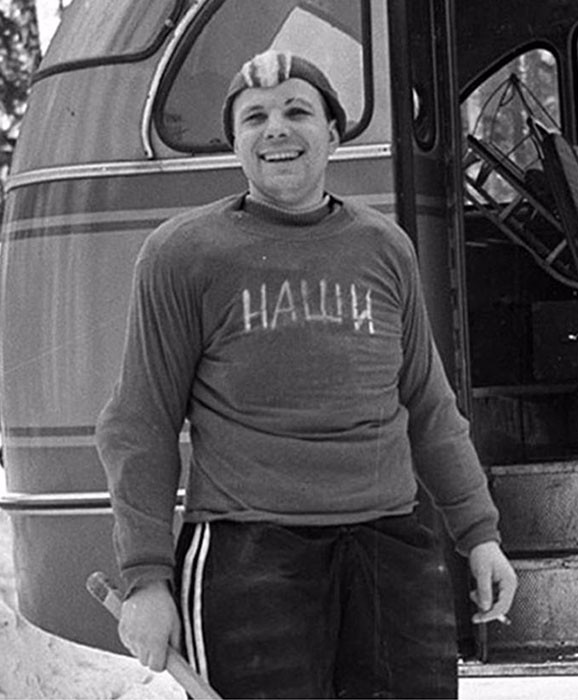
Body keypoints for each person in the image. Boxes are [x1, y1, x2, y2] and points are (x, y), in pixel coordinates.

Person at [96, 50, 517, 699]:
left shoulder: (384, 247)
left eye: (297, 111)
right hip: (250, 554)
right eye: (254, 117)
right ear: (234, 142)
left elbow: (428, 405)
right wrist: (146, 580)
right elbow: (140, 424)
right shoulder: (182, 255)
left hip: (390, 548)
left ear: (333, 133)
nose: (276, 129)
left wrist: (479, 535)